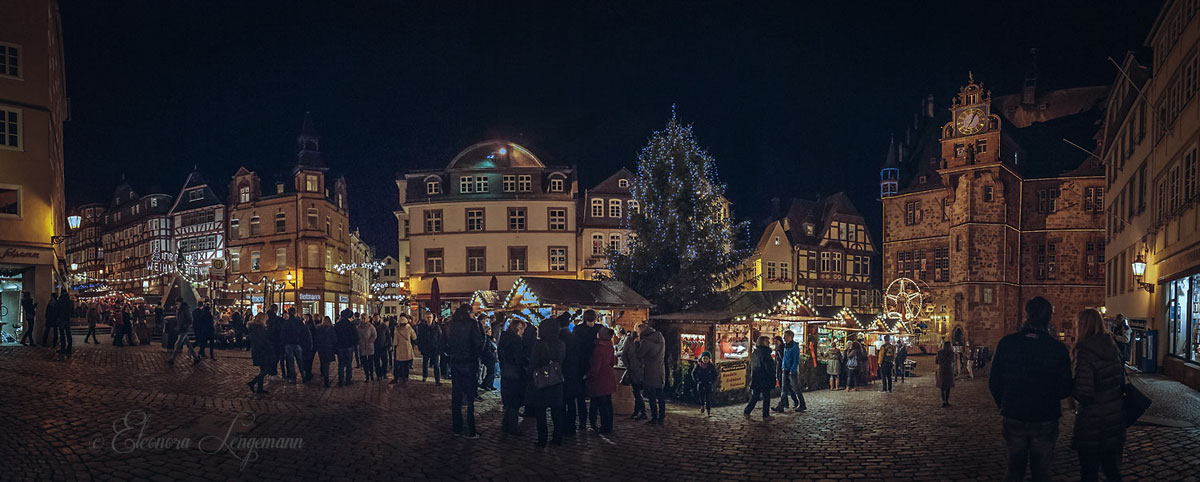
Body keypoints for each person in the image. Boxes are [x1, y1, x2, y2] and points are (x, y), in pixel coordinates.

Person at [989, 296, 1073, 482]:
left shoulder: (1007, 343)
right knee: (1042, 472)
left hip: (1014, 413)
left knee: (1014, 470)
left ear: (1027, 314)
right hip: (1045, 416)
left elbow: (994, 381)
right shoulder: (1057, 349)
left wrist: (1004, 403)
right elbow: (1066, 387)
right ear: (1048, 317)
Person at [1072, 309, 1128, 482]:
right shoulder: (1111, 346)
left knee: (1089, 471)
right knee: (1111, 469)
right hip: (1115, 418)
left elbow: (1085, 393)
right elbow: (1120, 380)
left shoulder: (1085, 352)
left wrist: (1070, 387)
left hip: (1093, 421)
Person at [445, 305, 484, 438]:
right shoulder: (472, 324)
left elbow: (444, 344)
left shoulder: (451, 325)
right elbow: (478, 344)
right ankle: (471, 429)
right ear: (469, 313)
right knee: (470, 396)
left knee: (456, 396)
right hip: (469, 363)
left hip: (455, 363)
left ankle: (457, 428)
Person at [529, 317, 566, 447]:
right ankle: (557, 437)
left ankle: (542, 439)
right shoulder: (561, 344)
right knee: (557, 411)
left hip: (542, 381)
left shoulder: (539, 344)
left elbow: (533, 363)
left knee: (541, 412)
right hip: (556, 380)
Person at [498, 319, 529, 435]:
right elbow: (518, 359)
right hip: (515, 373)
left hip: (506, 372)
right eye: (522, 329)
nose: (523, 332)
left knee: (508, 401)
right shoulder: (516, 342)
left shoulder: (504, 339)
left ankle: (506, 425)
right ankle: (512, 427)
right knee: (514, 402)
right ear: (517, 329)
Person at [586, 326, 618, 434]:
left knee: (602, 405)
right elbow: (613, 362)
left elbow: (596, 367)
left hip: (600, 379)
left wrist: (589, 375)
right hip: (609, 377)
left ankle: (605, 427)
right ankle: (609, 425)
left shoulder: (598, 348)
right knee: (607, 404)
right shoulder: (610, 346)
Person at [559, 314, 585, 434]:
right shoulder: (575, 338)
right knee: (571, 400)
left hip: (562, 373)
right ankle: (572, 424)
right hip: (574, 373)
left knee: (562, 401)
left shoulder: (558, 338)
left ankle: (562, 424)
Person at [636, 322, 666, 425]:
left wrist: (637, 344)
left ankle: (654, 418)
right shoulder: (660, 337)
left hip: (650, 372)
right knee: (661, 395)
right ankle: (662, 416)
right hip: (660, 371)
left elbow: (639, 355)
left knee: (652, 397)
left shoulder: (646, 341)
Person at [774, 330, 806, 412]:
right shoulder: (786, 346)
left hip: (791, 370)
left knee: (796, 388)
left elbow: (796, 360)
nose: (784, 338)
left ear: (790, 337)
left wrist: (793, 369)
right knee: (784, 389)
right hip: (785, 369)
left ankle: (802, 404)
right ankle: (781, 405)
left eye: (785, 336)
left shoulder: (794, 347)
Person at [744, 336, 775, 420]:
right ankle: (766, 415)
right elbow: (768, 367)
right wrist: (772, 377)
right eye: (767, 341)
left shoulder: (755, 352)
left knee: (755, 396)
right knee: (766, 397)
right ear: (763, 342)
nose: (769, 343)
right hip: (764, 378)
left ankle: (747, 411)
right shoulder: (765, 353)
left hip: (756, 377)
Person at [619, 330, 646, 420]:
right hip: (636, 370)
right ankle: (639, 412)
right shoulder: (631, 341)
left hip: (639, 370)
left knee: (637, 392)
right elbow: (624, 355)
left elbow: (624, 355)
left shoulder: (643, 341)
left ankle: (640, 412)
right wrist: (628, 365)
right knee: (637, 392)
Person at [246, 313, 275, 394]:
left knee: (263, 368)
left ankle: (260, 388)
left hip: (257, 350)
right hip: (262, 350)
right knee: (267, 369)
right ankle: (253, 382)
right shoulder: (259, 328)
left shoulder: (254, 327)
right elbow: (263, 341)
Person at [391, 314, 418, 386]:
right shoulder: (409, 328)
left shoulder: (397, 329)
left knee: (400, 364)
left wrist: (394, 347)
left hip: (399, 348)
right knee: (406, 365)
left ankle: (400, 378)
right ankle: (405, 379)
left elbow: (395, 341)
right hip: (407, 347)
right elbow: (414, 337)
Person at [334, 311, 359, 386]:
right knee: (349, 364)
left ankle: (340, 380)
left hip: (340, 347)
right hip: (349, 346)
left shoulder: (337, 325)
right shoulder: (351, 325)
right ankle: (348, 380)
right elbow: (355, 336)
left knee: (341, 364)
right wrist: (354, 344)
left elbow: (334, 336)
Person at [167, 299, 196, 364]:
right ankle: (195, 357)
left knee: (177, 344)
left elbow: (189, 319)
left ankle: (172, 359)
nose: (176, 304)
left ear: (180, 302)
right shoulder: (181, 309)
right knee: (188, 344)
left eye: (177, 303)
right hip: (182, 328)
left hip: (183, 329)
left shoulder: (184, 309)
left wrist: (184, 326)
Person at [417, 311, 442, 384]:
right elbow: (420, 338)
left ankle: (437, 380)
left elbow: (440, 338)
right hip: (426, 349)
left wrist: (439, 347)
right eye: (427, 317)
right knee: (425, 363)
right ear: (425, 318)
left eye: (430, 317)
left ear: (432, 318)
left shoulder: (437, 327)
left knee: (436, 365)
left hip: (435, 349)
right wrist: (421, 348)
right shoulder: (422, 328)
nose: (429, 319)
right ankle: (424, 377)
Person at [315, 315, 338, 387]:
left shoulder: (319, 328)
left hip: (321, 348)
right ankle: (326, 379)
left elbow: (316, 338)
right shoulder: (331, 329)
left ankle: (323, 374)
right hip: (329, 348)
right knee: (326, 364)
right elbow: (334, 339)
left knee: (323, 361)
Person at [692, 351, 717, 416]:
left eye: (706, 358)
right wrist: (697, 380)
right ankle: (702, 405)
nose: (705, 360)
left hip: (708, 384)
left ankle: (708, 410)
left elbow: (715, 375)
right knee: (701, 395)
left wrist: (711, 381)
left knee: (708, 397)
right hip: (701, 383)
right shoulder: (698, 365)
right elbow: (694, 373)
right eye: (704, 358)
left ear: (709, 359)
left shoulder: (711, 366)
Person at [356, 314, 378, 382]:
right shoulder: (358, 327)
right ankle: (367, 376)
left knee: (371, 362)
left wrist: (370, 341)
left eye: (364, 318)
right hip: (362, 347)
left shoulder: (371, 327)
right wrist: (359, 342)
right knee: (364, 363)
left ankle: (371, 375)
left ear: (367, 319)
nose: (363, 319)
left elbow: (374, 335)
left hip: (369, 347)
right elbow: (357, 336)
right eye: (362, 318)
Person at [479, 320, 498, 392]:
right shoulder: (486, 339)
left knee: (493, 372)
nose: (491, 332)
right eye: (489, 331)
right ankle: (485, 384)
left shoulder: (491, 338)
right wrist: (493, 352)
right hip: (490, 358)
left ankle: (490, 384)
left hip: (492, 357)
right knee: (491, 372)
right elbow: (487, 350)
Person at [935, 341, 956, 407]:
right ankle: (946, 400)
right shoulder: (951, 353)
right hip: (948, 370)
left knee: (942, 386)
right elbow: (953, 360)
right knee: (947, 387)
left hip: (941, 370)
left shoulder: (939, 352)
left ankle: (943, 401)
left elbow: (936, 361)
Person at [373, 315, 391, 381]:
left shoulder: (384, 326)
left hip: (383, 346)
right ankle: (379, 375)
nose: (376, 319)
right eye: (375, 318)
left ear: (380, 318)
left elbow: (388, 336)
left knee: (385, 361)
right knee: (376, 361)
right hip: (375, 347)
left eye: (377, 318)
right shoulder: (372, 326)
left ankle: (384, 373)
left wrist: (390, 345)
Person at [55, 290, 73, 354]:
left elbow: (56, 310)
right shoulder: (70, 302)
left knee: (62, 334)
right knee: (68, 333)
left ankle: (63, 347)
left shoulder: (60, 301)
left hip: (61, 319)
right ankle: (69, 347)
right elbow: (72, 311)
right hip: (67, 319)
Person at [301, 314, 316, 382]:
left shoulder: (310, 326)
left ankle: (308, 373)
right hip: (306, 345)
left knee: (308, 360)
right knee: (307, 360)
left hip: (310, 345)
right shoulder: (304, 325)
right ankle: (307, 372)